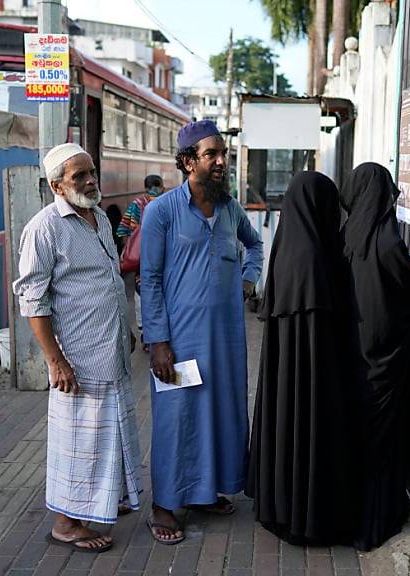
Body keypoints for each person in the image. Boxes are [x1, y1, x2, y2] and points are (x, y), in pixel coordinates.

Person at [13, 143, 142, 554]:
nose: (90, 181)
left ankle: (103, 501)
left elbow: (106, 279)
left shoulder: (99, 218)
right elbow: (32, 300)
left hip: (111, 349)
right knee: (79, 443)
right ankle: (67, 523)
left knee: (113, 433)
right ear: (56, 185)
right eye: (79, 177)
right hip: (79, 359)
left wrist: (127, 327)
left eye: (92, 173)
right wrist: (55, 361)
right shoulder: (45, 227)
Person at [141, 120, 263, 544]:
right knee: (177, 417)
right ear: (188, 161)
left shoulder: (230, 209)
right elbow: (150, 279)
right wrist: (158, 341)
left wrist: (249, 278)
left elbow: (256, 245)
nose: (220, 162)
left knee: (219, 411)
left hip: (227, 340)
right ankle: (164, 504)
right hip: (179, 341)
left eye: (223, 154)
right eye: (211, 154)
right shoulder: (162, 212)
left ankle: (204, 492)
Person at [246, 171, 358, 546]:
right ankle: (308, 515)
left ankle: (282, 508)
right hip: (314, 374)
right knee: (310, 429)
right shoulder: (316, 257)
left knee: (286, 425)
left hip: (286, 374)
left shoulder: (287, 247)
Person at [339, 162, 410, 551]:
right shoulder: (389, 241)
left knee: (357, 437)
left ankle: (351, 517)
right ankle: (376, 521)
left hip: (354, 355)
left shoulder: (346, 237)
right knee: (383, 441)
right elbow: (408, 283)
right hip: (386, 357)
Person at [119, 174, 164, 347]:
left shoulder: (136, 204)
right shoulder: (167, 203)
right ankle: (159, 333)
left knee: (140, 293)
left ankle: (145, 333)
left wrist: (132, 245)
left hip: (142, 260)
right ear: (160, 186)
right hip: (162, 257)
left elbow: (122, 230)